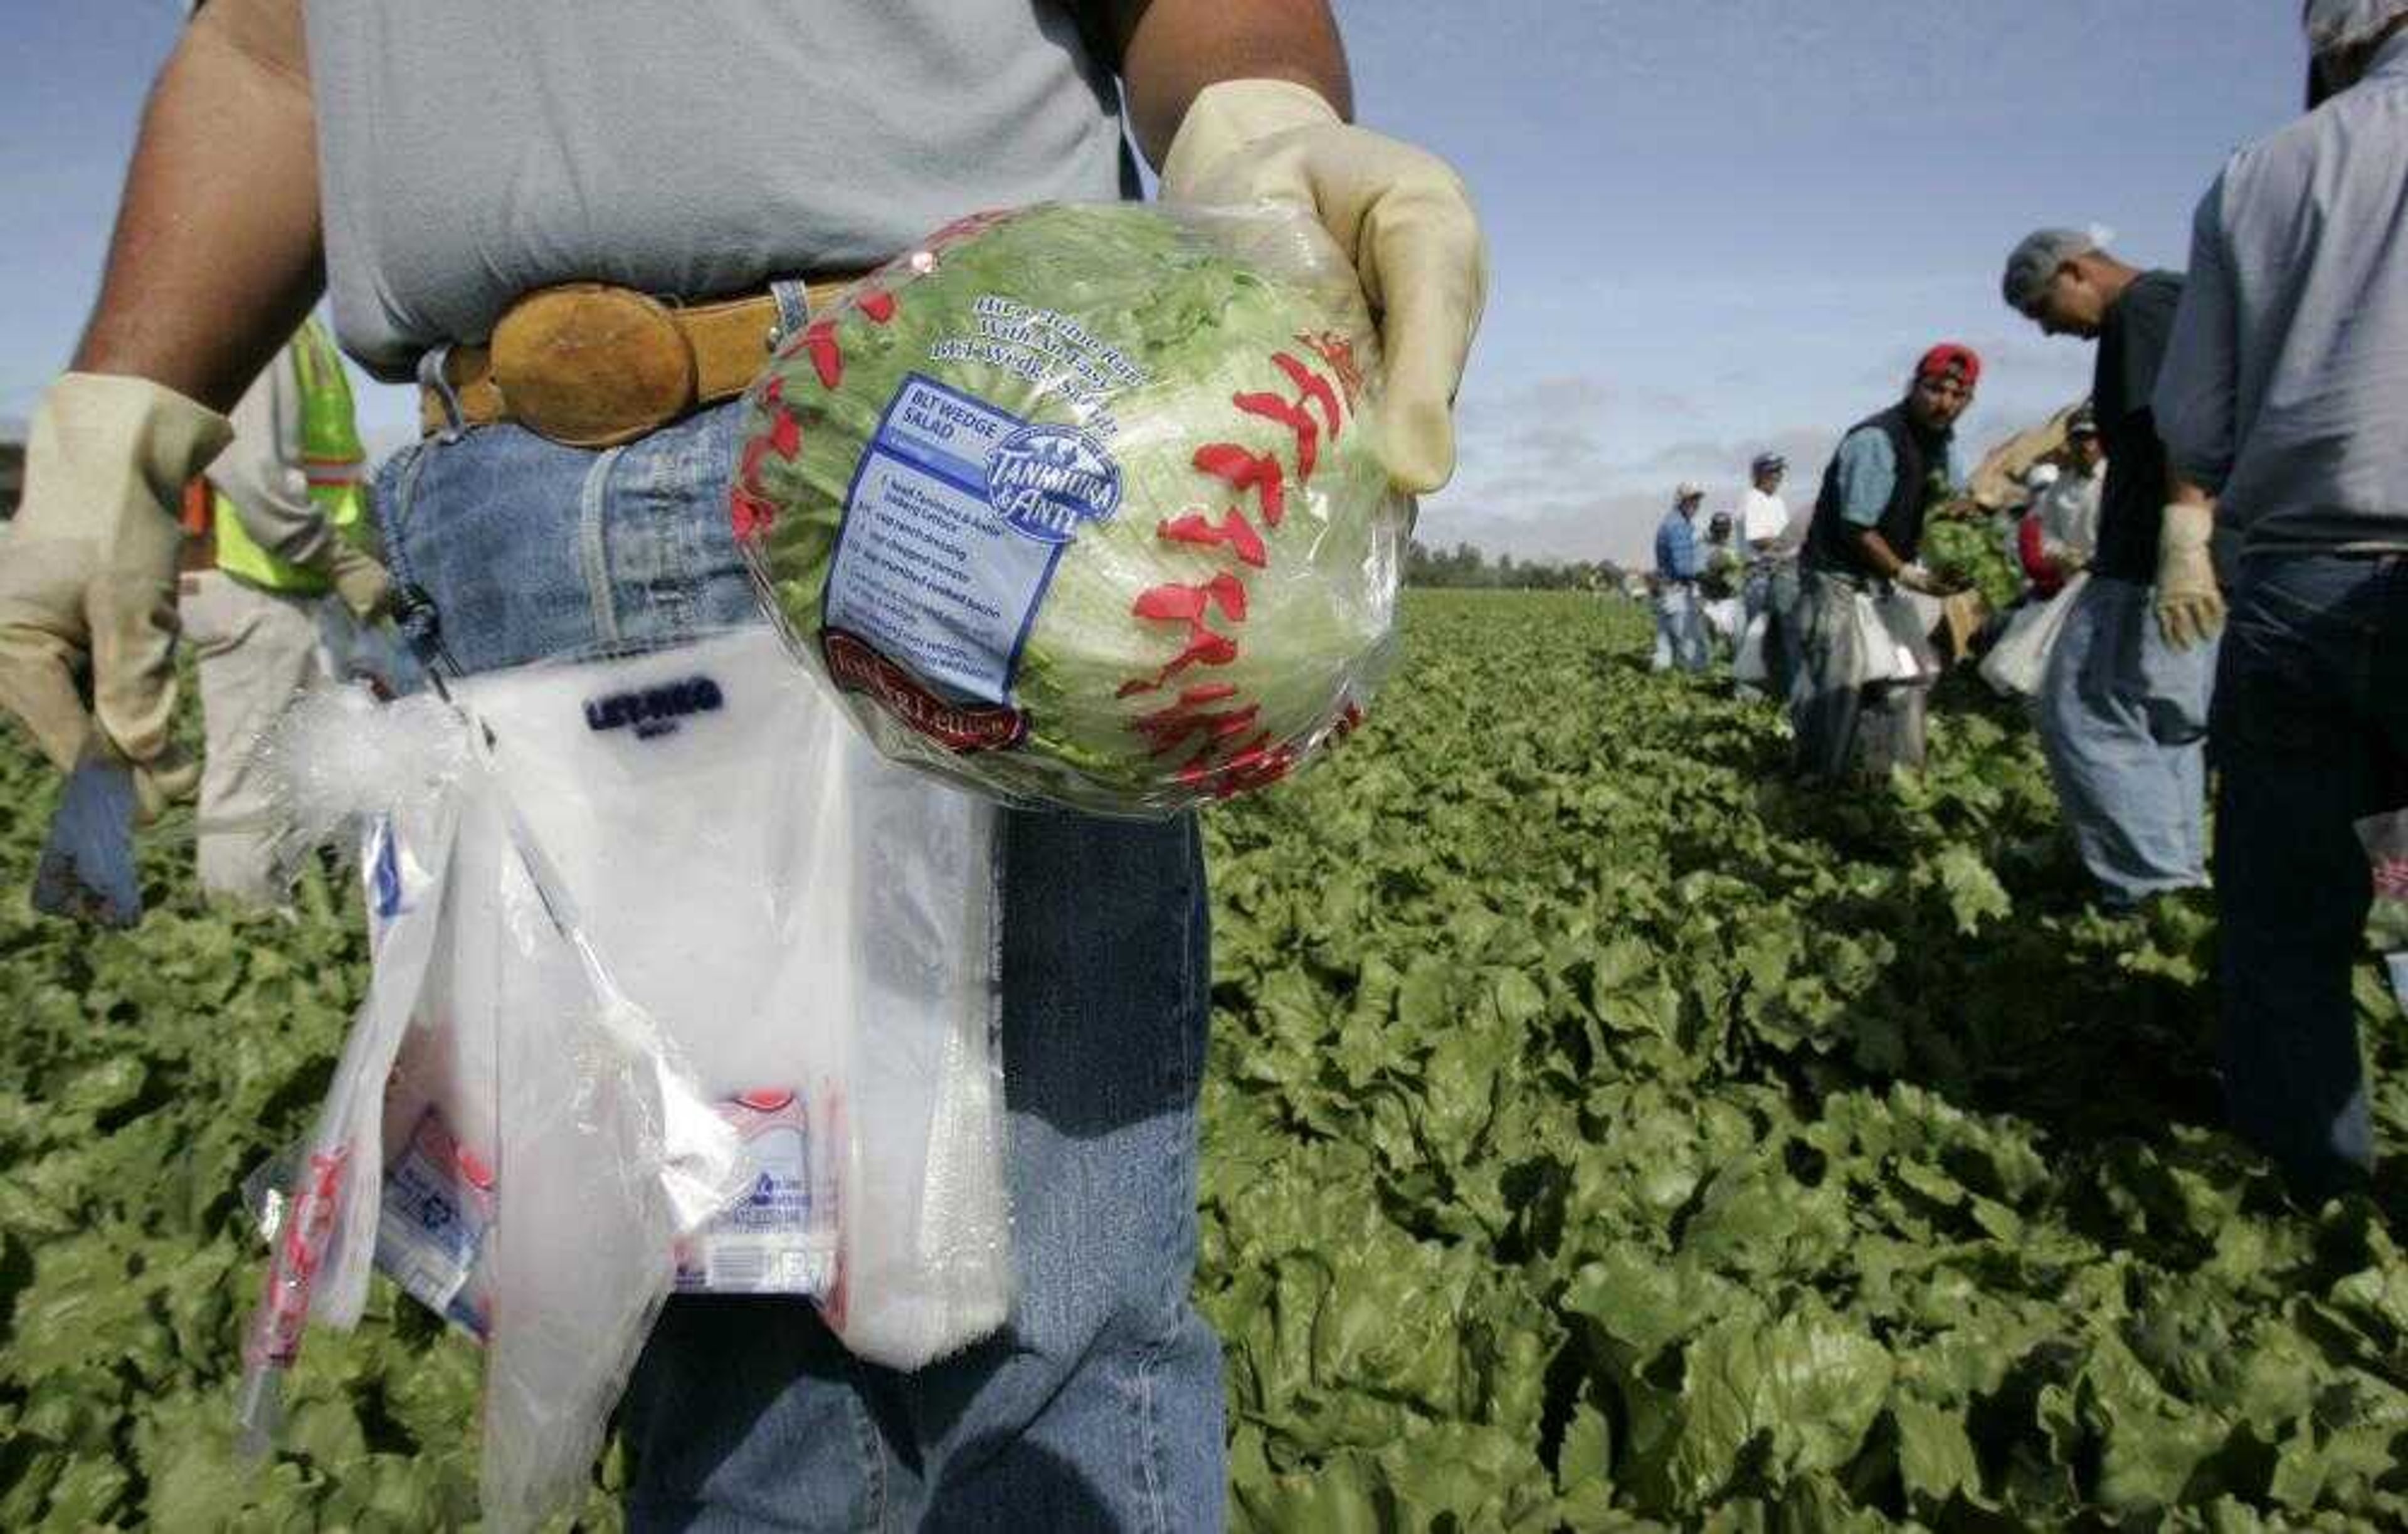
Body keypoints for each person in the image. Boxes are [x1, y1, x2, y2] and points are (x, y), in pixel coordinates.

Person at [0, 1, 1487, 1526]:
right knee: (719, 1402)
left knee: (1043, 1381)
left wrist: (1258, 124)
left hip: (958, 452)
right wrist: (131, 398)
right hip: (507, 512)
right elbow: (267, 51)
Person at [2153, 0, 2408, 1203]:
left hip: (2300, 591)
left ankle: (2310, 1202)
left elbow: (2196, 424)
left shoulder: (2267, 169)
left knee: (2292, 917)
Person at [2002, 230, 2216, 909]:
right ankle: (2178, 891)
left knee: (2083, 708)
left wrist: (2183, 534)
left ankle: (2150, 890)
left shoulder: (2143, 311)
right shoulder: (2176, 300)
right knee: (2166, 722)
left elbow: (2183, 421)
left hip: (2148, 558)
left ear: (2075, 271)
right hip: (2183, 557)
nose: (2048, 332)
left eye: (2042, 311)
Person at [181, 315, 391, 903]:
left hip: (290, 583)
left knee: (312, 767)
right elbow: (252, 477)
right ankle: (238, 935)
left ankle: (313, 914)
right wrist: (341, 562)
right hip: (257, 583)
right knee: (253, 778)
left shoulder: (295, 326)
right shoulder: (264, 326)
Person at [1788, 345, 1978, 780]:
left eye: (1957, 395)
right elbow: (1858, 527)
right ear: (1914, 386)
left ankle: (1893, 785)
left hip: (1882, 584)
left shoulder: (1944, 446)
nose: (1944, 402)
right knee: (1837, 687)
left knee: (1908, 678)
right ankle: (1815, 790)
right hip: (1835, 581)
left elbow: (1949, 508)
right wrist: (1909, 573)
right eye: (1934, 389)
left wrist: (1966, 533)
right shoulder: (1878, 439)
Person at [1650, 483, 1710, 673]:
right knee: (1691, 649)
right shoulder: (1679, 527)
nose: (1695, 505)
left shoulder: (1668, 522)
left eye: (1697, 500)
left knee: (1664, 649)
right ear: (1680, 501)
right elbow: (1683, 567)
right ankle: (1693, 692)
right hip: (1677, 593)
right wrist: (1707, 575)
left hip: (1663, 591)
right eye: (1691, 500)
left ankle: (1658, 693)